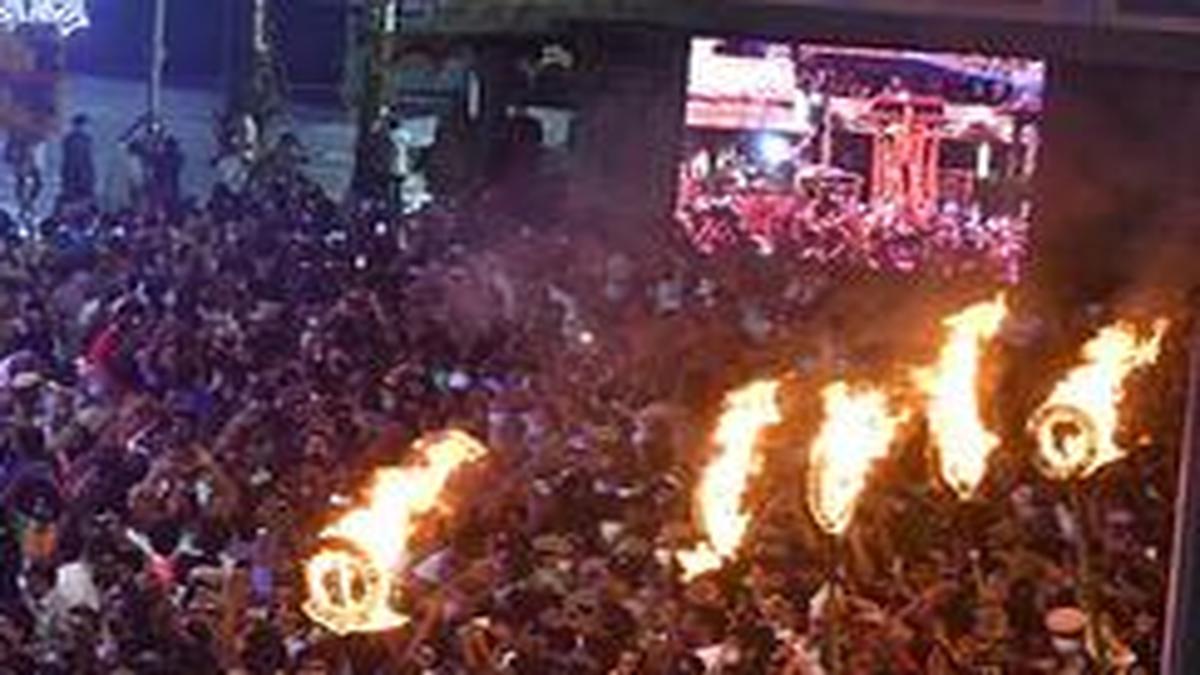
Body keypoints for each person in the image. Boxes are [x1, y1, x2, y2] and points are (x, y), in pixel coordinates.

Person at [4, 132, 42, 223]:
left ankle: (27, 207)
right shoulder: (15, 138)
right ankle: (25, 207)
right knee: (23, 184)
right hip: (22, 164)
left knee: (34, 184)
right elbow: (9, 154)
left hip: (29, 164)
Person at [59, 115, 96, 205]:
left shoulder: (74, 139)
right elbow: (78, 161)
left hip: (77, 177)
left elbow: (87, 159)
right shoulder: (77, 140)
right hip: (78, 177)